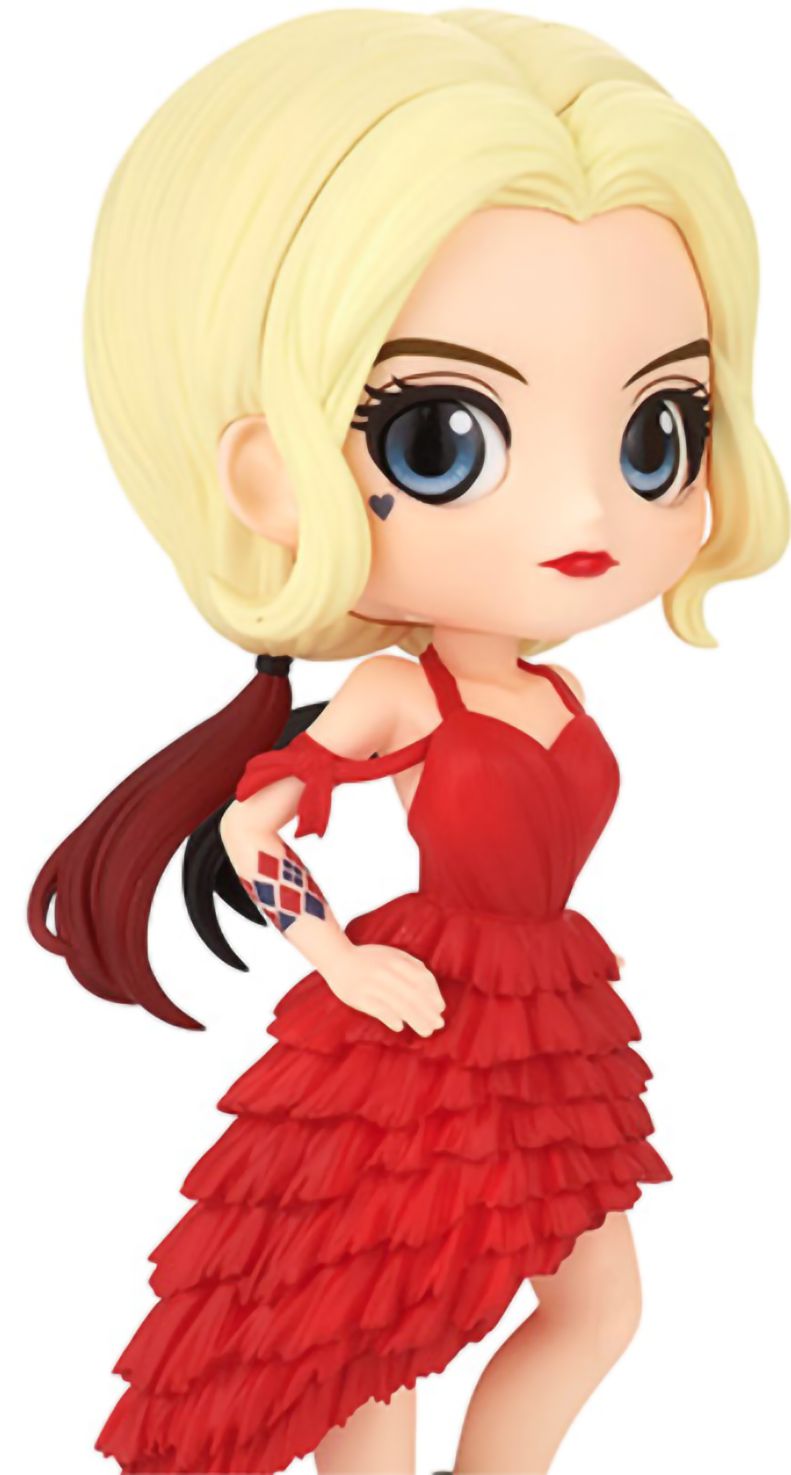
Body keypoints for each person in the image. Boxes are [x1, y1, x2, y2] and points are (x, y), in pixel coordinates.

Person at [28, 9, 788, 1473]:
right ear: (271, 471)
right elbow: (253, 825)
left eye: (657, 433)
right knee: (379, 1324)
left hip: (549, 1014)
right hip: (419, 1022)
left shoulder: (557, 693)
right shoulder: (404, 694)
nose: (589, 512)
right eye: (442, 436)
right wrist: (339, 957)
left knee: (596, 1308)